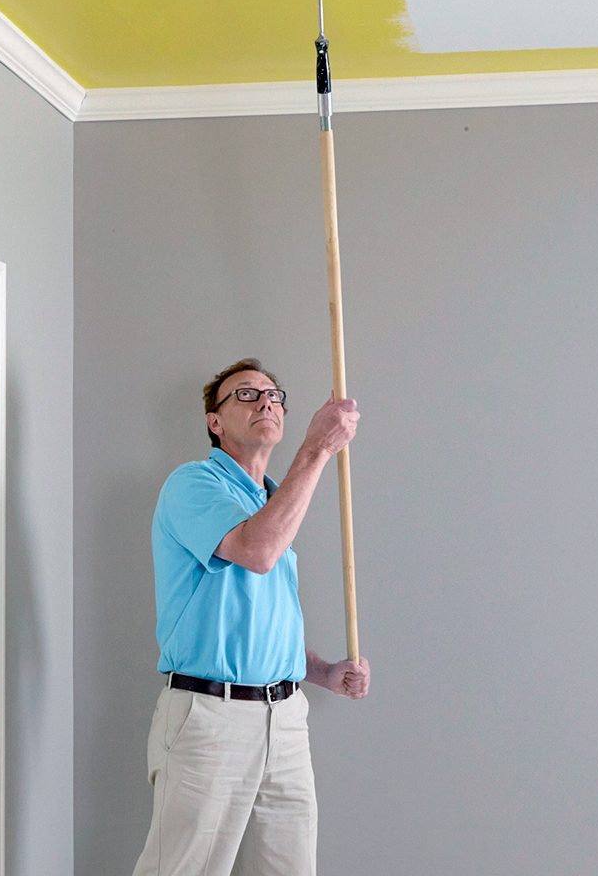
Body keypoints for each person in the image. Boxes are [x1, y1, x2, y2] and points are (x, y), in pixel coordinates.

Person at [132, 358, 371, 876]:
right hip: (209, 716)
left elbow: (263, 621)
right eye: (244, 394)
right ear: (214, 423)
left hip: (284, 718)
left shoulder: (273, 497)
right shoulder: (192, 485)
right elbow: (257, 551)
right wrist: (319, 448)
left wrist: (324, 672)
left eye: (274, 395)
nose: (266, 401)